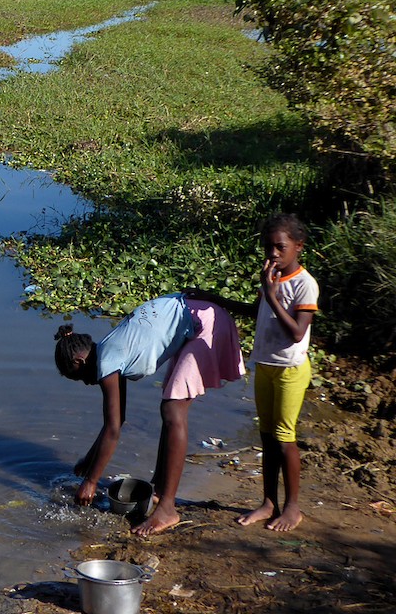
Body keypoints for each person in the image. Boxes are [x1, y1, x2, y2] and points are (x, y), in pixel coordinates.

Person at [55, 292, 245, 536]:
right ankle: (160, 489)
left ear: (80, 362)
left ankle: (167, 508)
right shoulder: (108, 352)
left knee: (173, 410)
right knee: (169, 405)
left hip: (205, 323)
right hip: (196, 316)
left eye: (78, 378)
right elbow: (117, 421)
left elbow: (113, 430)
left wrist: (91, 482)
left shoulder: (107, 362)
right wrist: (89, 461)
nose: (84, 383)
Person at [187, 213, 318, 531]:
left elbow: (297, 333)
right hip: (266, 367)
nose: (273, 254)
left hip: (290, 370)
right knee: (267, 438)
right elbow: (256, 310)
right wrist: (215, 299)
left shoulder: (304, 285)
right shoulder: (272, 280)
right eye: (267, 247)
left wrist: (271, 294)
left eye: (280, 247)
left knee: (285, 439)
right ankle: (268, 502)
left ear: (298, 247)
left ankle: (292, 508)